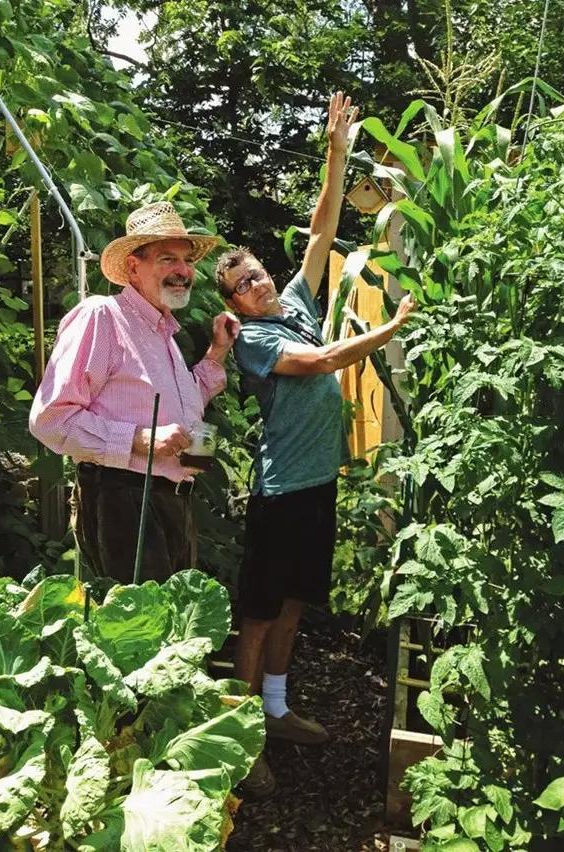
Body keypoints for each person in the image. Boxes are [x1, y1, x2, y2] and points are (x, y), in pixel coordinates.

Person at [216, 93, 417, 795]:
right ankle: (240, 742)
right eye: (245, 283)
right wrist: (391, 330)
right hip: (280, 493)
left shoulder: (294, 306)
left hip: (318, 487)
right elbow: (324, 363)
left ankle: (275, 710)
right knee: (259, 614)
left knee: (297, 602)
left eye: (259, 273)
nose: (260, 283)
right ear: (235, 303)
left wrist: (335, 153)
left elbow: (320, 235)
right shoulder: (258, 342)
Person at [30, 200, 239, 584]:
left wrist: (217, 353)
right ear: (132, 268)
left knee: (173, 634)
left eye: (186, 260)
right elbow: (50, 419)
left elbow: (184, 405)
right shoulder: (102, 317)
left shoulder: (165, 335)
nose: (183, 271)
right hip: (123, 499)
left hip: (173, 500)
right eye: (166, 259)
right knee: (138, 636)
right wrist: (139, 440)